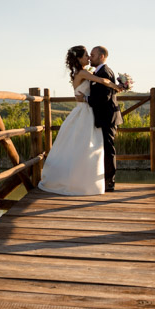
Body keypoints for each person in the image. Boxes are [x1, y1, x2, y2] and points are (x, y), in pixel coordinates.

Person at [38, 45, 123, 196]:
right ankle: (84, 181)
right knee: (85, 147)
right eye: (86, 55)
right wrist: (116, 86)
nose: (89, 58)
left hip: (89, 112)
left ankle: (88, 179)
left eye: (91, 55)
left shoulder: (83, 72)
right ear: (79, 58)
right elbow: (102, 80)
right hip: (85, 112)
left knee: (84, 147)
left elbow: (100, 88)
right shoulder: (83, 72)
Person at [78, 45, 123, 192]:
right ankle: (102, 179)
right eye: (89, 55)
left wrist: (85, 98)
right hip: (102, 116)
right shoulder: (99, 72)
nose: (90, 57)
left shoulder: (105, 72)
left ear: (101, 56)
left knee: (109, 149)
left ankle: (110, 182)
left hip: (107, 117)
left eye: (93, 55)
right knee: (102, 148)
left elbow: (104, 97)